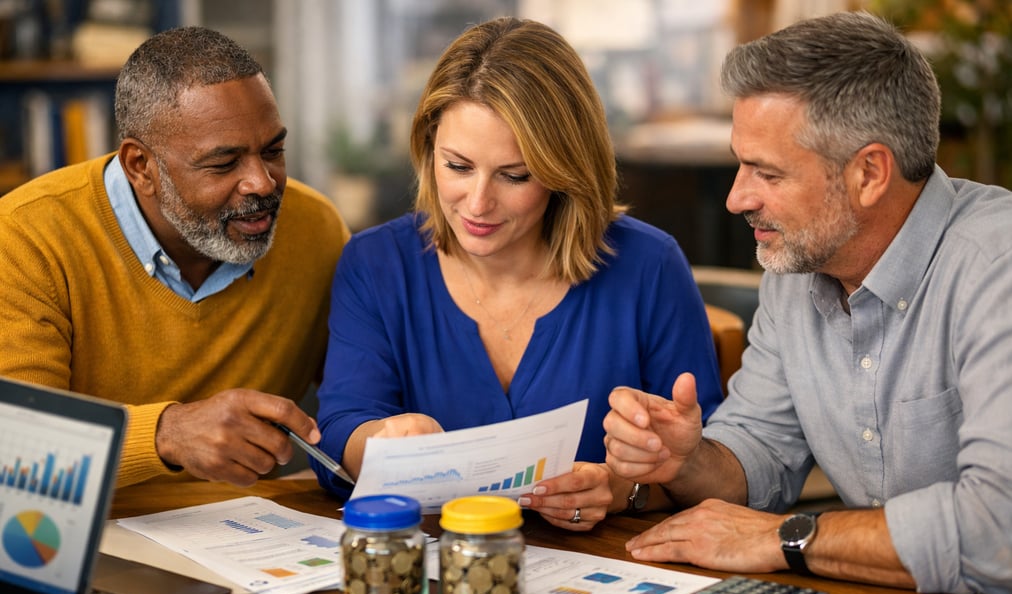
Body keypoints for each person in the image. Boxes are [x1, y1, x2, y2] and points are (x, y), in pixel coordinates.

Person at [604, 11, 1012, 594]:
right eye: (740, 163)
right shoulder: (796, 270)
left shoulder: (996, 267)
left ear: (869, 173)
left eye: (766, 172)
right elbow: (761, 454)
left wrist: (785, 539)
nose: (736, 197)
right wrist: (686, 461)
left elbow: (997, 531)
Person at [313, 17, 723, 529]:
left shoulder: (649, 267)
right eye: (458, 166)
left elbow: (708, 464)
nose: (478, 204)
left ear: (565, 170)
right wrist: (378, 444)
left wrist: (622, 491)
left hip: (601, 573)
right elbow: (336, 433)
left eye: (515, 175)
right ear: (427, 148)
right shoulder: (375, 264)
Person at [0, 27, 350, 488]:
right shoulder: (26, 237)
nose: (263, 183)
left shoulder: (317, 230)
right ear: (140, 167)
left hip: (250, 535)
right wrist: (166, 434)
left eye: (273, 151)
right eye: (224, 164)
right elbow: (15, 448)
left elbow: (360, 400)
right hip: (89, 539)